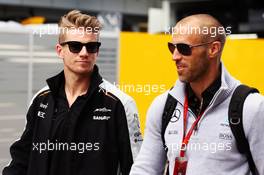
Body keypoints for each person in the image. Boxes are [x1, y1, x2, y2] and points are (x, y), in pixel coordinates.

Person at [3, 10, 142, 175]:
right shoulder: (41, 100)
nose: (84, 53)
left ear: (97, 52)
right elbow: (21, 159)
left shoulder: (120, 104)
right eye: (75, 46)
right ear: (60, 50)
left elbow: (137, 168)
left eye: (91, 47)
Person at [130, 14, 264, 175]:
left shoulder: (252, 107)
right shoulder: (163, 105)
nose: (175, 57)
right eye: (172, 47)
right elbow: (145, 169)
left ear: (213, 49)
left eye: (184, 48)